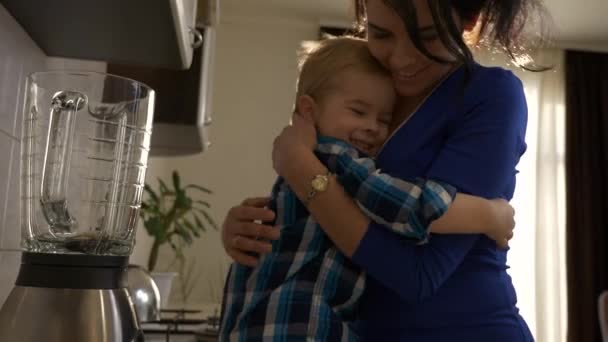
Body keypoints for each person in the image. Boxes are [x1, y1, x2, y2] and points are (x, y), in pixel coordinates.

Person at [222, 0, 542, 340]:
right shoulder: (361, 88)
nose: (402, 58)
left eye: (429, 36)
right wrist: (252, 232)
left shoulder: (490, 95)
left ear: (469, 18)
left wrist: (303, 173)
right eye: (381, 33)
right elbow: (323, 219)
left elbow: (418, 276)